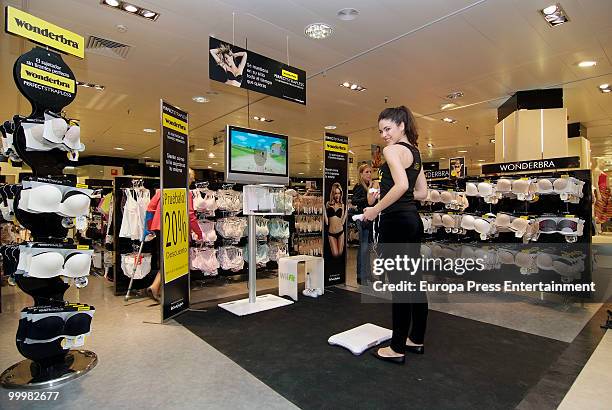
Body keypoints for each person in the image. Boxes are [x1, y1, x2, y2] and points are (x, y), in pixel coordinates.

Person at [363, 106, 428, 365]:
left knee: (401, 285)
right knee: (414, 283)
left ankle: (397, 347)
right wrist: (389, 195)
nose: (384, 135)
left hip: (396, 223)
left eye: (388, 128)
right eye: (380, 131)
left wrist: (375, 209)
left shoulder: (392, 151)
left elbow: (401, 186)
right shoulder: (415, 153)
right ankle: (416, 339)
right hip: (412, 221)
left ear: (401, 125)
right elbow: (420, 192)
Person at [145, 169, 203, 302]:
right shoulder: (185, 192)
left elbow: (150, 207)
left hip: (161, 227)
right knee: (174, 259)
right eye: (192, 177)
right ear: (185, 177)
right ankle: (161, 289)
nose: (193, 180)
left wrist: (150, 226)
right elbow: (190, 215)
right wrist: (199, 233)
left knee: (167, 258)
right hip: (176, 230)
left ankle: (156, 287)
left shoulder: (162, 190)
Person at [351, 163, 379, 284]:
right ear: (361, 174)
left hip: (370, 219)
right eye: (366, 172)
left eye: (370, 172)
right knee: (363, 248)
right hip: (362, 219)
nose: (369, 174)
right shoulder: (359, 186)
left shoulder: (372, 186)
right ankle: (361, 276)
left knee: (368, 249)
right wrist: (366, 200)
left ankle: (368, 274)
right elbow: (354, 200)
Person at [324, 182, 347, 258]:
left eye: (339, 193)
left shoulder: (342, 205)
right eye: (335, 193)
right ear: (333, 194)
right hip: (331, 233)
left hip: (341, 232)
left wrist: (346, 212)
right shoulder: (328, 204)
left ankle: (338, 270)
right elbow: (327, 222)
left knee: (340, 255)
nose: (337, 195)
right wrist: (324, 210)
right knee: (335, 254)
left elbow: (342, 222)